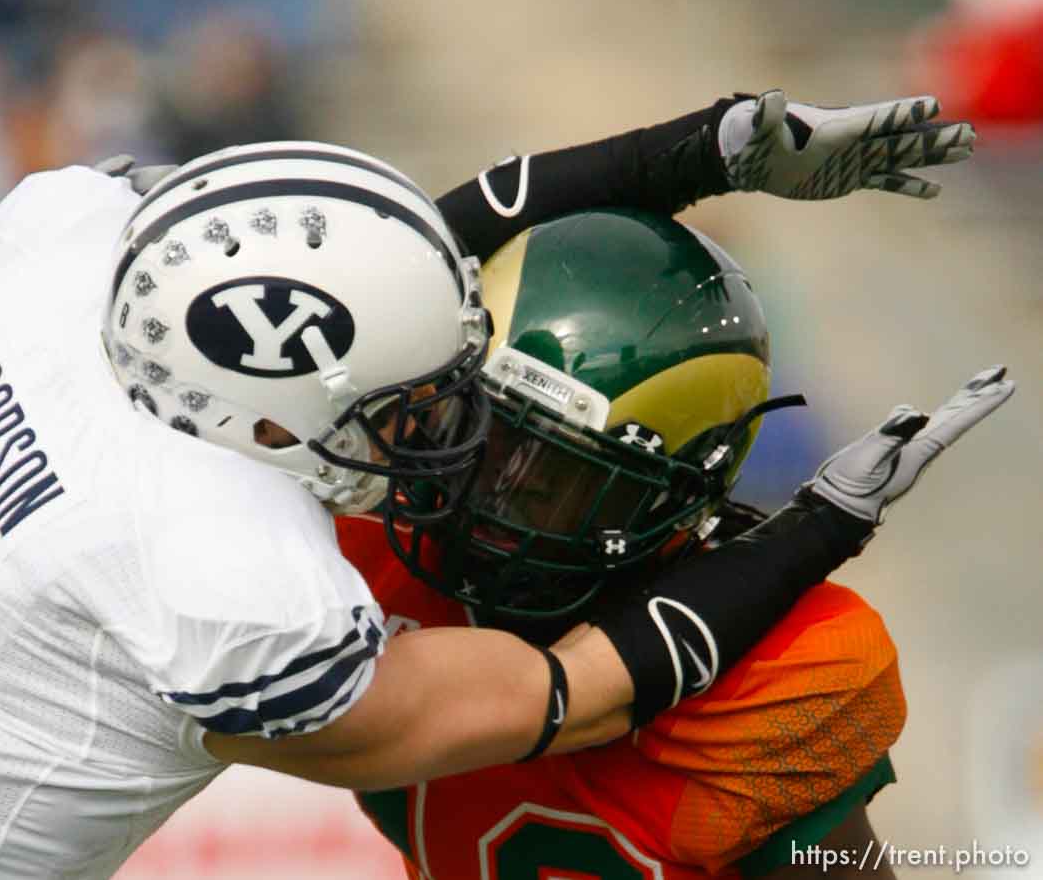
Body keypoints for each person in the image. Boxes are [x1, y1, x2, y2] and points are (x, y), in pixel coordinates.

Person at [0, 92, 1000, 880]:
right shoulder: (237, 577)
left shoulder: (59, 265)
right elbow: (558, 691)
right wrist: (817, 528)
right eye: (404, 405)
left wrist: (691, 151)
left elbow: (338, 256)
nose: (427, 438)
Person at [335, 124, 990, 878]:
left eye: (558, 481)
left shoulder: (780, 674)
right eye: (483, 441)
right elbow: (345, 293)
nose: (499, 499)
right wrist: (692, 151)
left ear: (671, 504)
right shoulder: (347, 546)